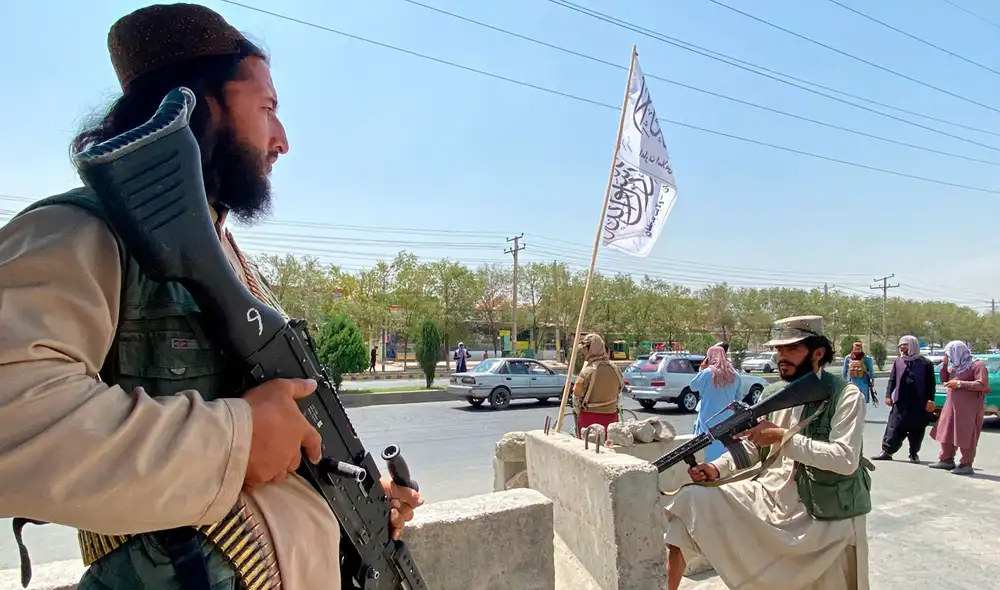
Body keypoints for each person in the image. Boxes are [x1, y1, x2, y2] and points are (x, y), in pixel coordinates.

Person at [0, 5, 422, 589]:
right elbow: (14, 414)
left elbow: (274, 443)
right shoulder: (81, 231)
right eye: (267, 109)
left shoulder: (225, 258)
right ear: (198, 105)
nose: (282, 140)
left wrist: (357, 495)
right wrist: (236, 440)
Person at [664, 316, 871, 590]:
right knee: (689, 501)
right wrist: (716, 468)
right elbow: (754, 446)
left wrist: (781, 437)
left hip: (822, 510)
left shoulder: (846, 396)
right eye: (779, 350)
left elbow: (845, 460)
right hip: (771, 496)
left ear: (818, 353)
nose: (781, 357)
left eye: (792, 349)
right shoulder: (774, 394)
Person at [872, 336, 937, 463]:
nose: (902, 347)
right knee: (894, 427)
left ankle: (913, 454)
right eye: (900, 345)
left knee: (917, 429)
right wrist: (888, 395)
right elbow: (892, 379)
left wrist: (930, 399)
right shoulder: (898, 362)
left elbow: (931, 383)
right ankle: (887, 452)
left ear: (912, 345)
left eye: (905, 345)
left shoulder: (925, 363)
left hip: (919, 403)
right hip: (900, 402)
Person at [929, 340, 989, 475]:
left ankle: (966, 464)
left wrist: (959, 384)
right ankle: (946, 460)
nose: (949, 357)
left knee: (966, 435)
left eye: (950, 354)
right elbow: (944, 379)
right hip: (951, 406)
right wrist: (944, 364)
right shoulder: (956, 367)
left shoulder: (977, 365)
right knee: (947, 432)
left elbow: (982, 384)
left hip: (969, 409)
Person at [689, 345, 743, 462]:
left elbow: (693, 386)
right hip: (727, 418)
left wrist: (701, 369)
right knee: (724, 446)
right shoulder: (735, 374)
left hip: (708, 417)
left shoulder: (707, 372)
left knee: (707, 445)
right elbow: (738, 396)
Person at [572, 333, 625, 437]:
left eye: (584, 349)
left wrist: (577, 411)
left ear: (590, 349)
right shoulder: (615, 368)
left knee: (589, 446)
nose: (583, 352)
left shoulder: (587, 371)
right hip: (612, 419)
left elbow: (577, 396)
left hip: (590, 420)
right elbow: (620, 389)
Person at [842, 340, 877, 406]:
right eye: (855, 349)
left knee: (862, 402)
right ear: (852, 349)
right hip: (851, 383)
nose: (856, 351)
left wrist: (872, 381)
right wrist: (844, 382)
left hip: (863, 383)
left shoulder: (867, 359)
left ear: (861, 349)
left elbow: (871, 370)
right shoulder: (848, 358)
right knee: (852, 402)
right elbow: (844, 371)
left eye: (858, 349)